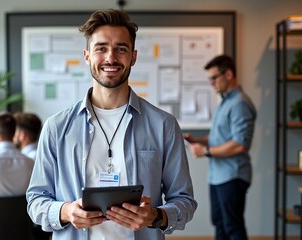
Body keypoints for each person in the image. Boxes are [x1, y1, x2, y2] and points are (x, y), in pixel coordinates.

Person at [26, 9, 197, 240]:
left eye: (121, 49)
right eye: (101, 48)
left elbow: (185, 201)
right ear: (87, 56)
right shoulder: (57, 127)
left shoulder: (163, 125)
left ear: (133, 57)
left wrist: (155, 216)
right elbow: (36, 201)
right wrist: (66, 211)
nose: (111, 57)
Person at [183, 55, 256, 240]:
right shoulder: (226, 101)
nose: (211, 83)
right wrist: (200, 140)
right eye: (209, 79)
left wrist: (206, 151)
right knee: (220, 224)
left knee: (232, 226)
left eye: (214, 78)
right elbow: (221, 136)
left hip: (232, 175)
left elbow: (240, 144)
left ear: (229, 74)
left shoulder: (240, 103)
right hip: (219, 176)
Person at [13, 112, 51, 240]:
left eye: (14, 132)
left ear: (22, 135)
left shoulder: (25, 160)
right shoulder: (44, 156)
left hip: (29, 223)